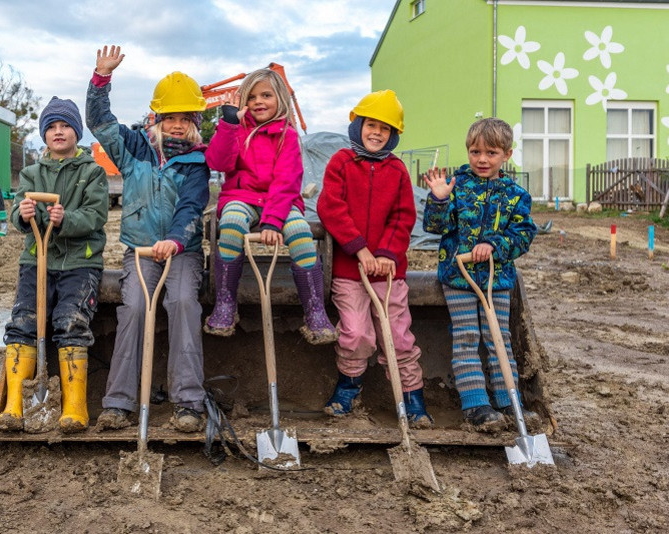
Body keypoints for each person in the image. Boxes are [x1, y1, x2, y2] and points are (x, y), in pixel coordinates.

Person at [86, 45, 210, 433]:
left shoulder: (197, 162)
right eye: (169, 117)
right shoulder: (134, 147)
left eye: (184, 118)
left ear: (193, 122)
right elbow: (99, 122)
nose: (176, 125)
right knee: (135, 308)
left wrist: (174, 240)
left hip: (183, 253)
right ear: (156, 118)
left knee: (184, 303)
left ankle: (188, 402)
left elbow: (192, 207)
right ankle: (118, 403)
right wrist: (100, 80)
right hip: (139, 251)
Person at [317, 90, 432, 427]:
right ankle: (348, 387)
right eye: (371, 125)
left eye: (385, 128)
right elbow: (330, 207)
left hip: (389, 272)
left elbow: (402, 217)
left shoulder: (397, 170)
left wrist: (385, 254)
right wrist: (361, 250)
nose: (377, 132)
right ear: (358, 125)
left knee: (397, 335)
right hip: (349, 270)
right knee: (356, 333)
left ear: (393, 134)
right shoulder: (341, 161)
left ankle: (412, 395)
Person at [0, 96, 109, 434]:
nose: (59, 132)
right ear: (44, 135)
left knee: (70, 322)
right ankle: (15, 404)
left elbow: (96, 215)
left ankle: (75, 408)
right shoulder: (31, 173)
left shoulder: (92, 172)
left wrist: (66, 218)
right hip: (36, 259)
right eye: (52, 127)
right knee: (23, 322)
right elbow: (18, 212)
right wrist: (22, 214)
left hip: (79, 262)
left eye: (66, 126)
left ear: (77, 132)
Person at [204, 68, 337, 345]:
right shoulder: (238, 131)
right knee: (230, 225)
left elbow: (287, 181)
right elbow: (218, 163)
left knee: (300, 232)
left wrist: (273, 222)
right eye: (251, 97)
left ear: (280, 99)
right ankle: (226, 303)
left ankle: (314, 309)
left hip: (281, 200)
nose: (258, 102)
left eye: (266, 95)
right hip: (241, 196)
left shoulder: (287, 136)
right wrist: (227, 126)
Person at [422, 117, 539, 432]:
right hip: (458, 277)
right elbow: (435, 227)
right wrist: (439, 199)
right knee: (466, 337)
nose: (482, 159)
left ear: (507, 155)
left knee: (498, 337)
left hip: (496, 280)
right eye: (475, 152)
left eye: (491, 153)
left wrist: (494, 245)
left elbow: (524, 233)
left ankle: (508, 401)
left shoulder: (514, 194)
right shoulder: (456, 186)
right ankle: (476, 406)